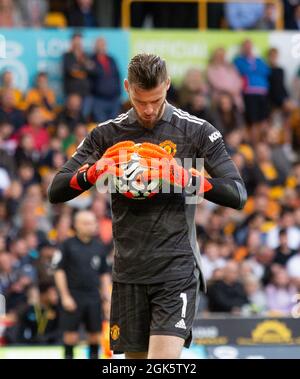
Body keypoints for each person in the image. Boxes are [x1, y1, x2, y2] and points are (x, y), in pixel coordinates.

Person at [48, 53, 247, 359]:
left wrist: (188, 178)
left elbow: (237, 194)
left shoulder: (196, 131)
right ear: (127, 88)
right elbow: (56, 190)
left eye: (155, 99)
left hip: (176, 269)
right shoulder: (106, 135)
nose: (149, 109)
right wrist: (93, 172)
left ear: (167, 85)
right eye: (141, 101)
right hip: (128, 272)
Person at [54, 210, 111, 360]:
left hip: (93, 296)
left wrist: (106, 298)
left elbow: (104, 273)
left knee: (94, 335)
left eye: (93, 222)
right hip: (73, 295)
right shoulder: (67, 245)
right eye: (86, 223)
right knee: (71, 335)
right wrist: (65, 296)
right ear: (76, 225)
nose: (91, 226)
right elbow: (58, 271)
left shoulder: (99, 247)